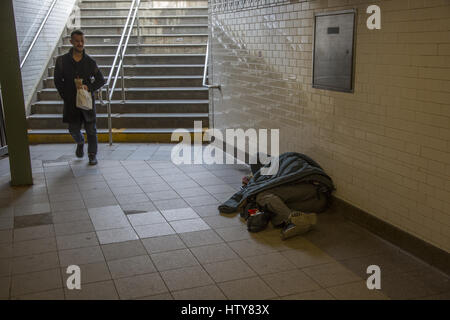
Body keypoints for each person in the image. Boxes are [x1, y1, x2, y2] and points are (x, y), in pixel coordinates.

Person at [54, 29, 105, 165]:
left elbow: (101, 79)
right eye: (77, 41)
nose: (80, 43)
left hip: (87, 102)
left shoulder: (90, 62)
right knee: (73, 129)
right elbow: (58, 81)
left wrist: (90, 87)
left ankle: (92, 155)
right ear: (71, 42)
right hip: (71, 102)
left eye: (82, 41)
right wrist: (66, 96)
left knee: (91, 130)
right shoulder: (62, 61)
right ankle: (80, 142)